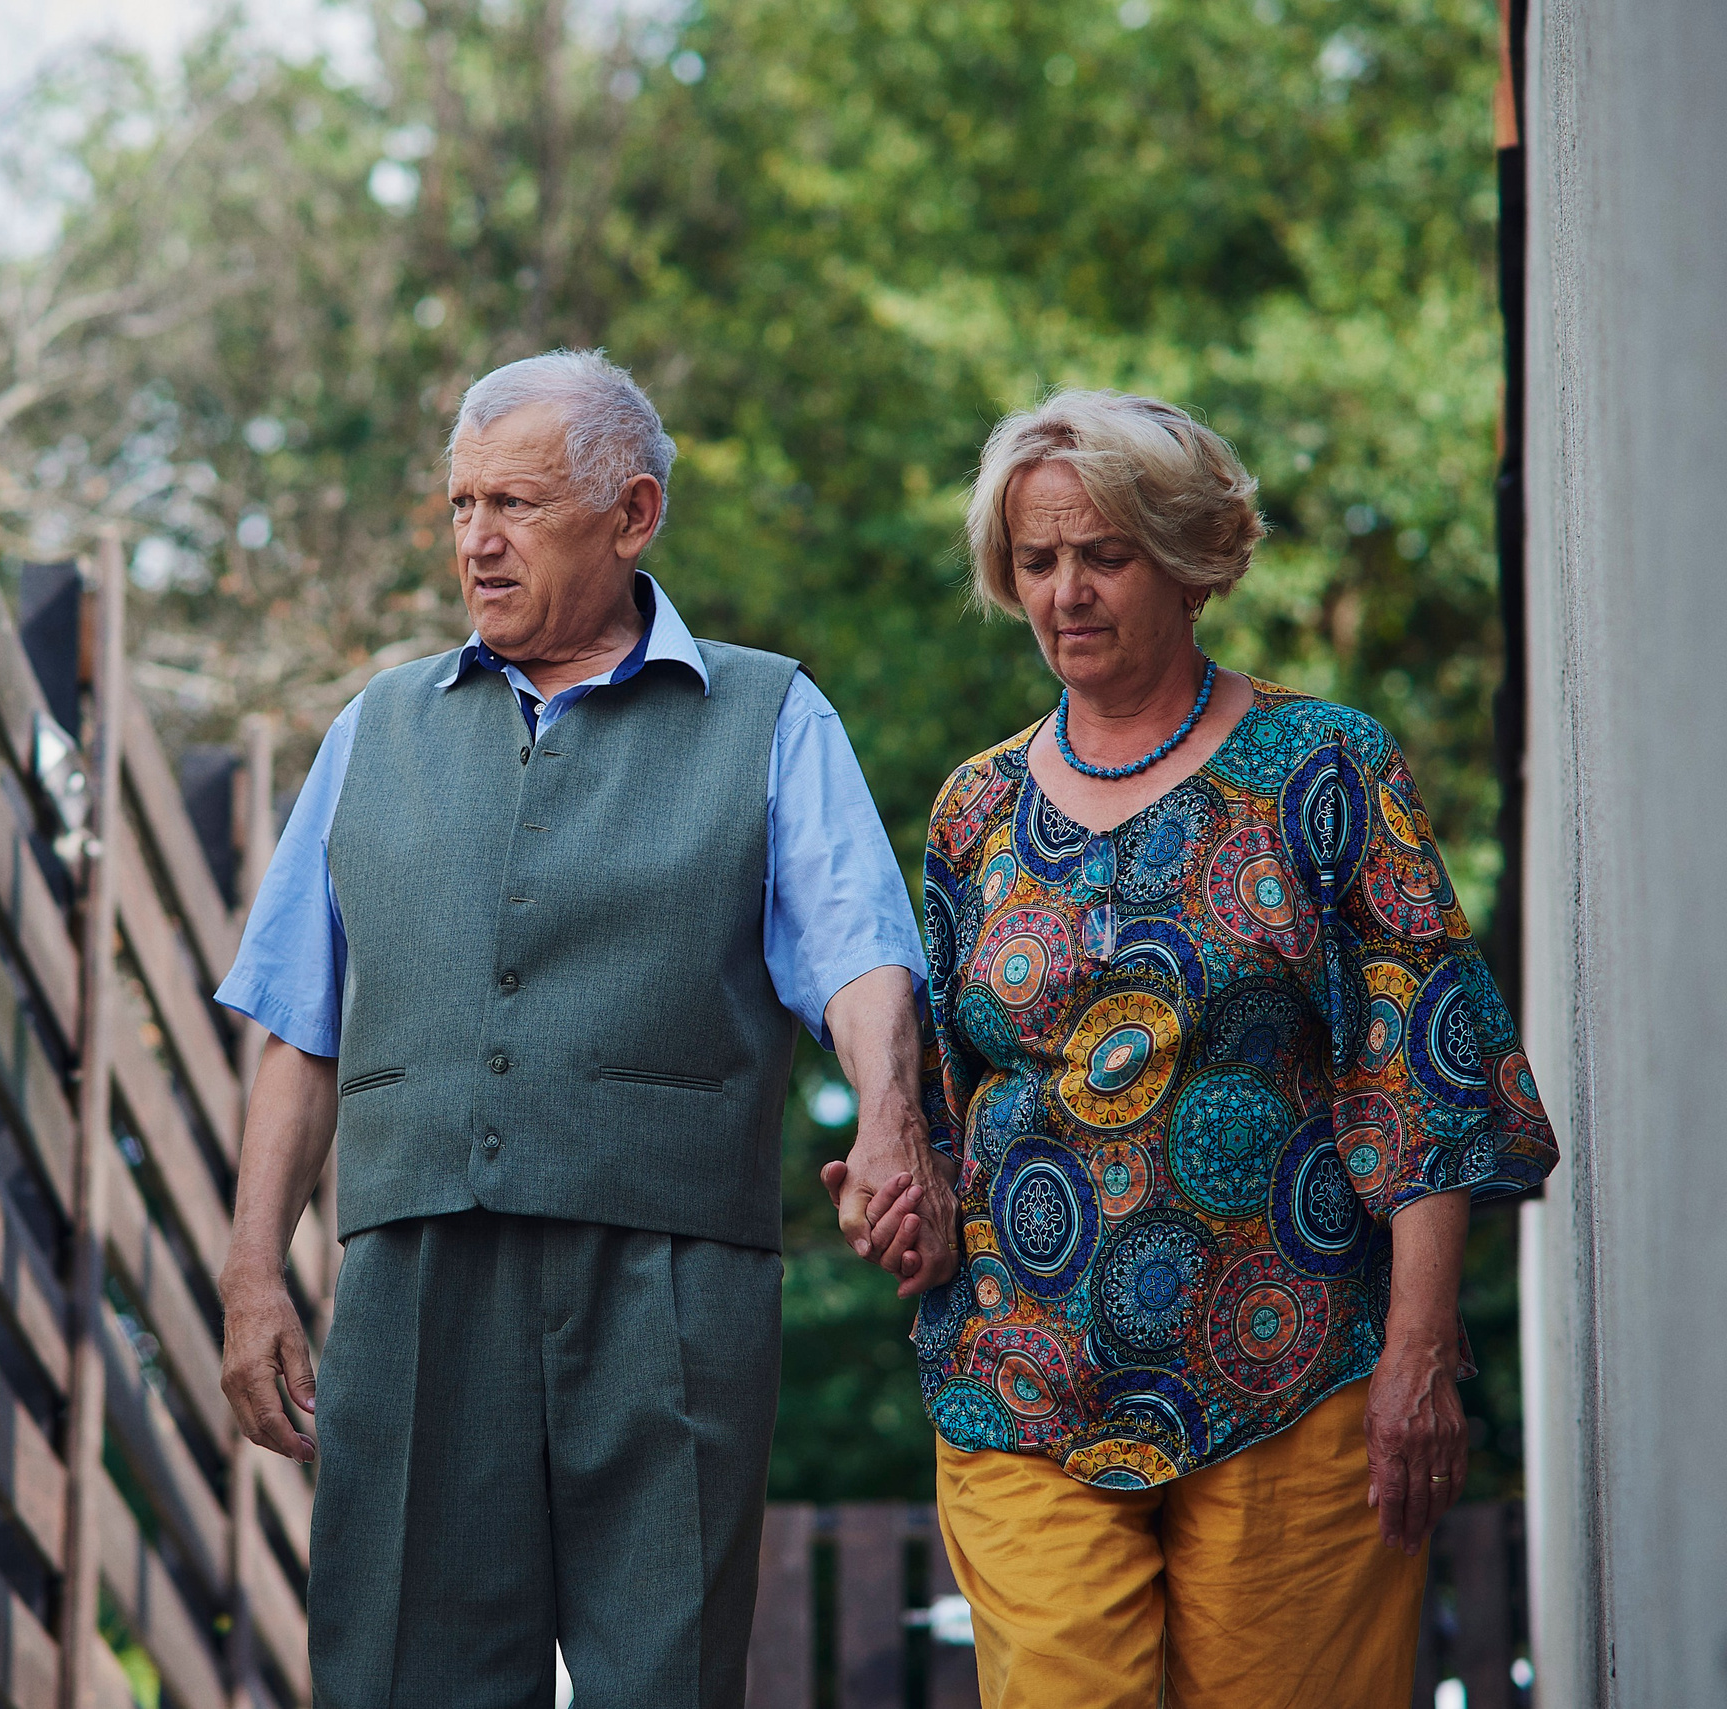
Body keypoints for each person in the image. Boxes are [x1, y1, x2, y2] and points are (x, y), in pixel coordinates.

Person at [215, 349, 931, 1707]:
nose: (477, 541)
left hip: (670, 1277)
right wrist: (257, 1270)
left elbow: (860, 959)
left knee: (662, 1674)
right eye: (461, 504)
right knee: (400, 1672)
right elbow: (297, 1023)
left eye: (520, 504)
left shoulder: (770, 715)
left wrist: (890, 1119)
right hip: (419, 1269)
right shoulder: (377, 728)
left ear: (633, 513)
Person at [856, 389, 1560, 1707]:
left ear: (1188, 557)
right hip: (1026, 1387)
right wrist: (904, 1194)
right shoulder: (976, 807)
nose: (1065, 591)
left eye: (1101, 554)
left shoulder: (1326, 768)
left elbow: (1426, 1074)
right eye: (1036, 559)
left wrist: (1418, 1356)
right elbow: (955, 1100)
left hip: (1293, 1375)